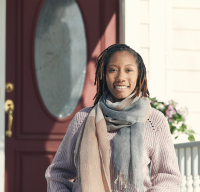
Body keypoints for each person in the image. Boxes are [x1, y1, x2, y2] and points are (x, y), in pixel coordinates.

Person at [45, 44, 182, 192]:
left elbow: (168, 177)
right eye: (113, 70)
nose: (120, 77)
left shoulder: (154, 120)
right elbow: (57, 174)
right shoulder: (83, 119)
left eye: (128, 70)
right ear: (104, 75)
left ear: (139, 74)